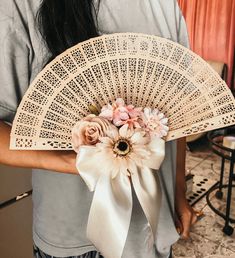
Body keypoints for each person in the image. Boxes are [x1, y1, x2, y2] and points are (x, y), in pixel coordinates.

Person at [0, 0, 198, 257]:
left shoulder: (163, 4)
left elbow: (177, 112)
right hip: (73, 238)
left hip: (153, 228)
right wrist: (74, 161)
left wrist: (179, 188)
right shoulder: (19, 6)